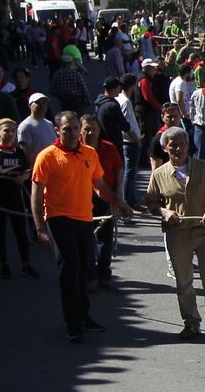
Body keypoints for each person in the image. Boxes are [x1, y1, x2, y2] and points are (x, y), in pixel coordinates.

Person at [31, 111, 135, 339]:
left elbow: (99, 186)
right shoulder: (47, 157)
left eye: (76, 128)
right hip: (59, 219)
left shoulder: (89, 153)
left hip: (84, 218)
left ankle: (83, 315)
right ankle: (73, 323)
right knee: (70, 268)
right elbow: (36, 195)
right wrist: (40, 229)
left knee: (86, 268)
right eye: (67, 129)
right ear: (57, 130)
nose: (73, 133)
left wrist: (120, 203)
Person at [143, 127, 205, 343]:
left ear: (188, 145)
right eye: (172, 145)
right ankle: (191, 323)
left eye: (181, 144)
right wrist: (164, 212)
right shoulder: (159, 174)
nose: (178, 148)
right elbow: (151, 202)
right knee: (183, 283)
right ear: (165, 148)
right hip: (177, 233)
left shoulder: (204, 168)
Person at [0, 119, 36, 279]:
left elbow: (27, 171)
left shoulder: (19, 152)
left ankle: (26, 264)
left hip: (15, 195)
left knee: (21, 231)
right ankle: (4, 264)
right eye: (7, 130)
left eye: (13, 131)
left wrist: (22, 177)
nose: (10, 134)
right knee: (1, 231)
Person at [80, 115, 124, 290]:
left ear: (99, 130)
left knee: (105, 239)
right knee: (87, 239)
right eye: (86, 128)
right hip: (82, 200)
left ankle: (104, 273)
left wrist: (119, 192)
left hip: (106, 199)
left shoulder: (108, 147)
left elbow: (119, 168)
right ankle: (90, 275)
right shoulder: (77, 150)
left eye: (94, 128)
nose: (90, 132)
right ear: (80, 130)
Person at [16, 93, 57, 166]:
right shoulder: (26, 125)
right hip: (38, 166)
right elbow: (25, 151)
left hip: (52, 165)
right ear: (30, 105)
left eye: (44, 103)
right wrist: (32, 167)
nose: (42, 106)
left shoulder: (49, 123)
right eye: (38, 103)